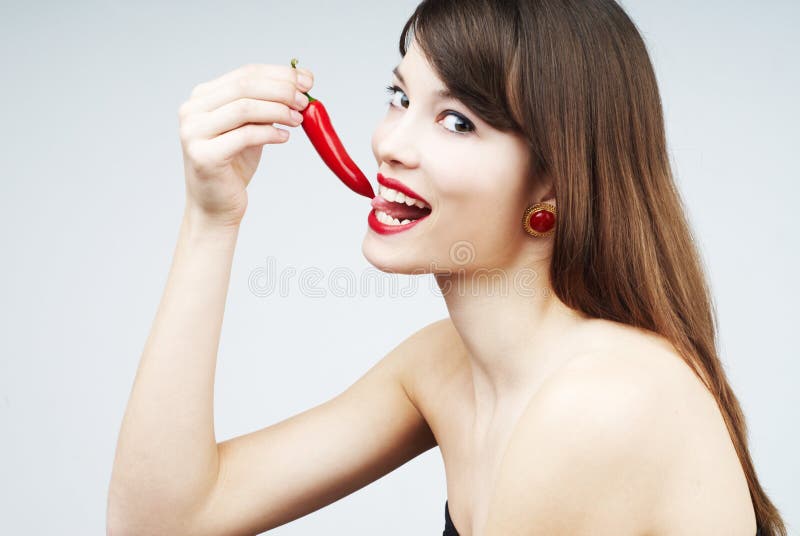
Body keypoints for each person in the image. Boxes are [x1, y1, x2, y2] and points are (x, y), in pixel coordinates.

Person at [107, 0, 787, 534]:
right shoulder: (445, 367)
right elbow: (162, 523)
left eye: (458, 121)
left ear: (554, 182)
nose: (391, 144)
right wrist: (211, 218)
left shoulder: (603, 403)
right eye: (400, 96)